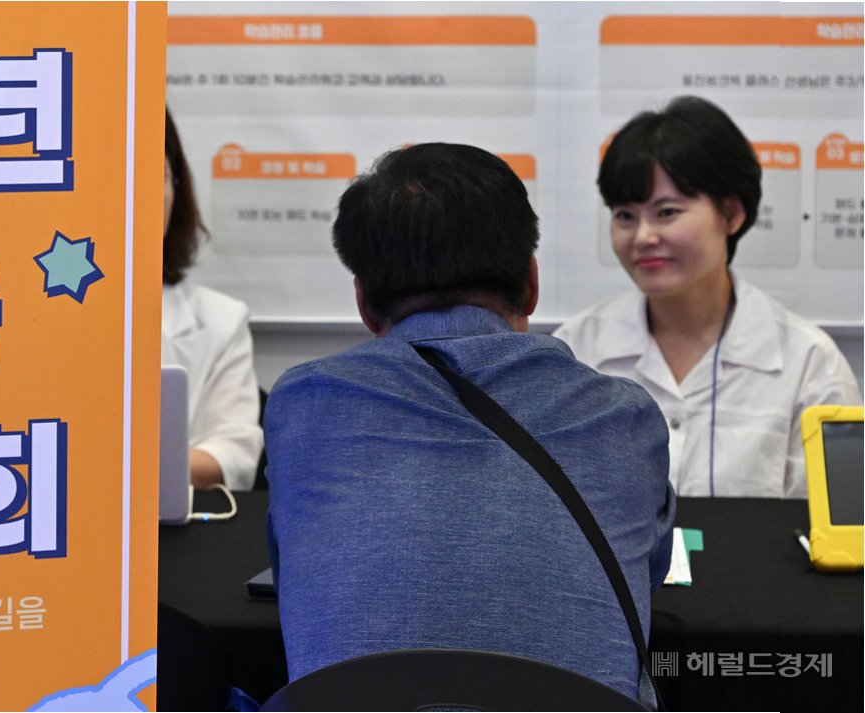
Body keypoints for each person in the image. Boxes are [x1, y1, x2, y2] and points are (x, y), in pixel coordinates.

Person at [264, 143, 675, 707]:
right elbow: (645, 578)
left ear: (363, 300)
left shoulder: (303, 404)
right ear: (531, 283)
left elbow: (293, 573)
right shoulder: (624, 417)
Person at [554, 96, 861, 498]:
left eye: (667, 212)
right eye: (625, 216)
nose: (643, 236)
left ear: (732, 214)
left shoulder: (809, 364)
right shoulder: (574, 352)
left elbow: (836, 522)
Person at [162, 109, 263, 491]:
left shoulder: (219, 318)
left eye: (155, 175)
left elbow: (234, 454)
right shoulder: (18, 312)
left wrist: (120, 470)